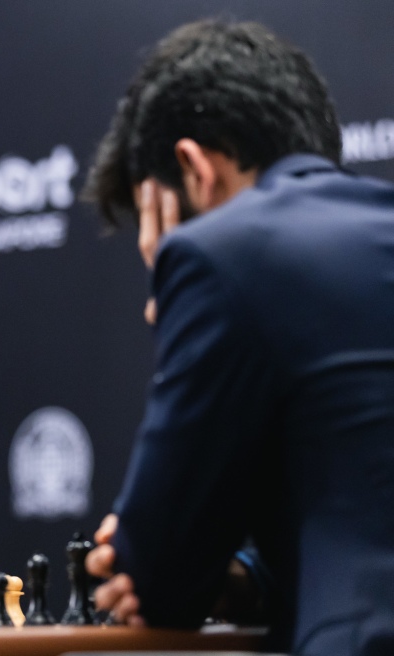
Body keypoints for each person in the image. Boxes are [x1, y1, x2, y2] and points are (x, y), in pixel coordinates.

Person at [81, 19, 394, 656]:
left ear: (194, 169)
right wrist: (247, 578)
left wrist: (175, 291)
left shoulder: (219, 253)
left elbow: (157, 579)